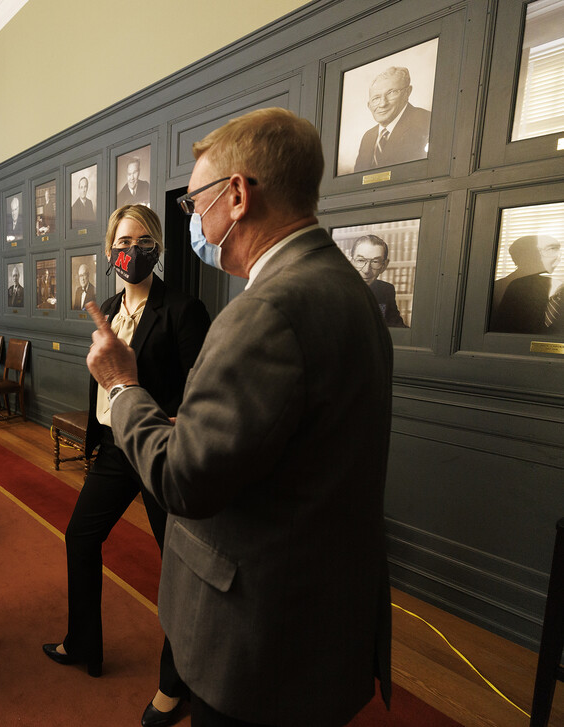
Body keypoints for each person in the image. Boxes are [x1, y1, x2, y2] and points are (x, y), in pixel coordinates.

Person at [88, 107, 392, 726]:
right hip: (323, 609)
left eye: (195, 201)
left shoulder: (266, 311)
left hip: (260, 638)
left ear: (236, 194)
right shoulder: (347, 287)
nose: (194, 220)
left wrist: (121, 387)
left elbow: (183, 479)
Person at [44, 205, 210, 727]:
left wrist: (166, 423)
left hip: (162, 451)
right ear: (109, 248)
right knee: (80, 536)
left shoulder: (184, 310)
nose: (131, 250)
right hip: (117, 451)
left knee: (177, 570)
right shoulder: (111, 309)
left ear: (158, 248)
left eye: (143, 241)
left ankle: (175, 683)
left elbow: (198, 391)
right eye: (122, 240)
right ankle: (83, 642)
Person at [353, 66, 431, 172]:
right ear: (369, 105)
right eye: (376, 98)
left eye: (391, 93)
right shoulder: (368, 137)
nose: (383, 104)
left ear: (407, 92)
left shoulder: (426, 121)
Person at [491, 234, 561, 333]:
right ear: (528, 255)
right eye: (548, 251)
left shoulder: (554, 286)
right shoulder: (500, 288)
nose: (558, 258)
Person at [350, 235, 407, 327]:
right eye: (360, 260)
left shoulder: (386, 290)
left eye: (375, 262)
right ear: (351, 262)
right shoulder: (333, 289)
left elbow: (398, 328)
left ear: (384, 266)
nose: (366, 270)